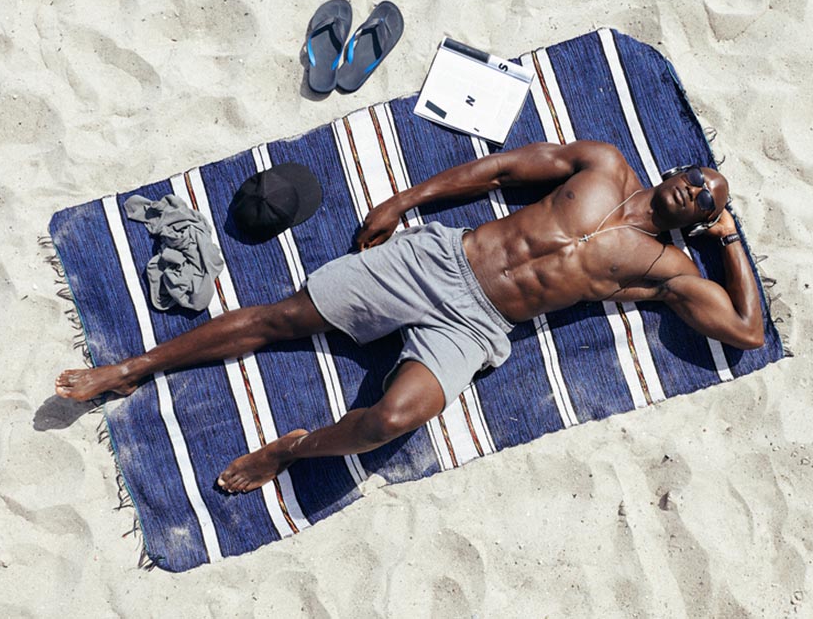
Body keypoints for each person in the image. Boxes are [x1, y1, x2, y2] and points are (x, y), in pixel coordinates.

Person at [54, 140, 764, 493]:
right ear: (675, 171)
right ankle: (129, 368)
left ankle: (291, 448)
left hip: (478, 326)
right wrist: (404, 201)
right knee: (281, 319)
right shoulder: (605, 164)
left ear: (702, 219)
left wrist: (729, 242)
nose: (695, 193)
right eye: (697, 179)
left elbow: (747, 331)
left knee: (394, 419)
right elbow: (499, 172)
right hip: (437, 260)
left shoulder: (663, 268)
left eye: (708, 201)